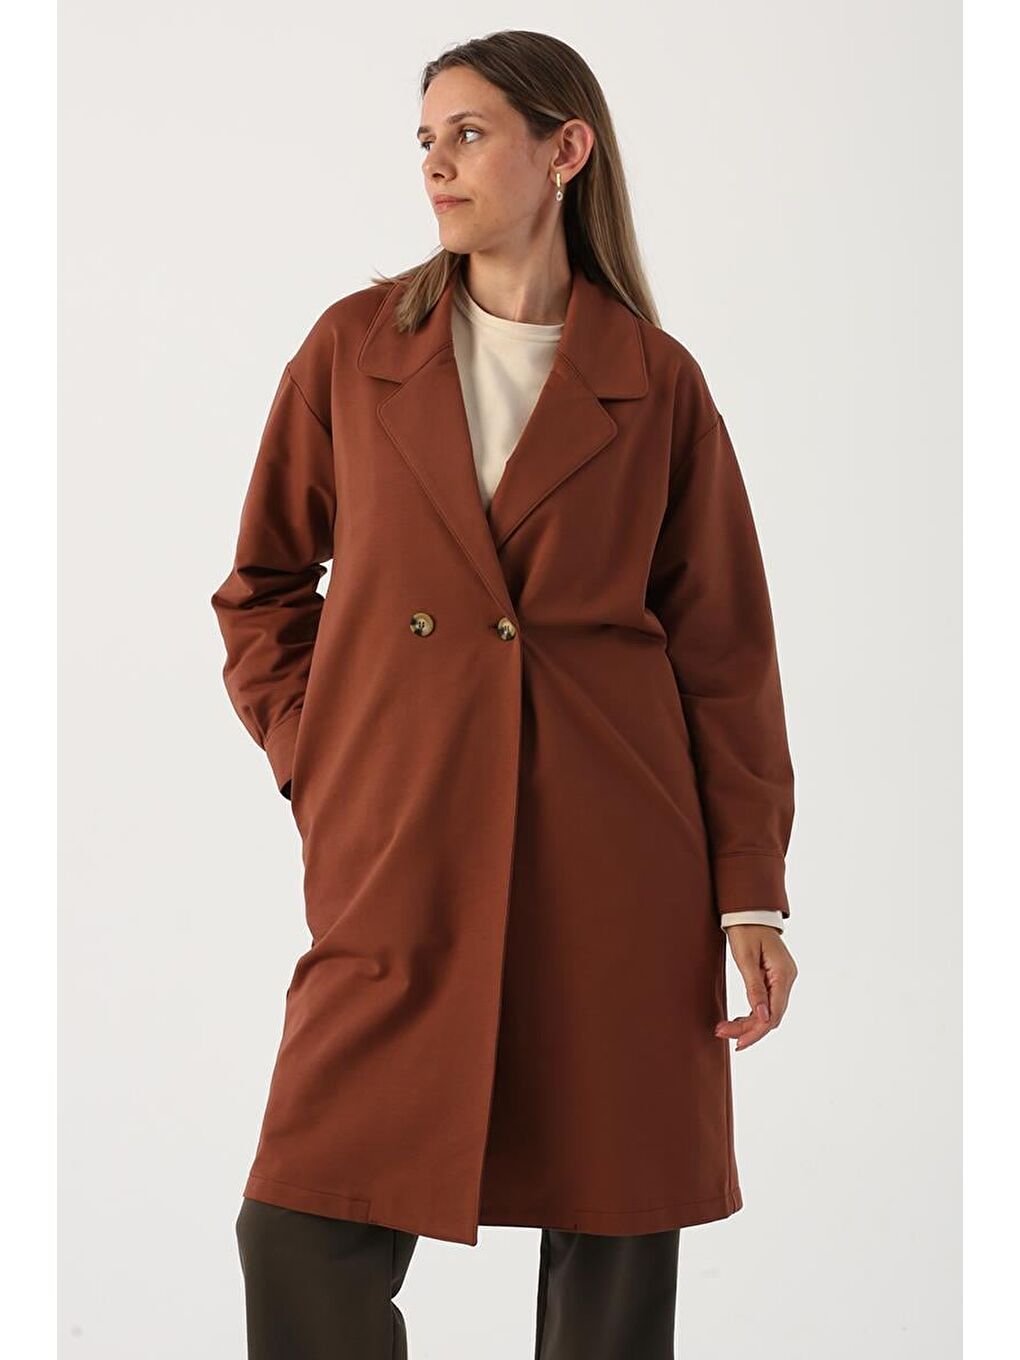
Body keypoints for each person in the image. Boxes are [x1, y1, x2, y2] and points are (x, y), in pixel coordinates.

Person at [211, 28, 799, 1360]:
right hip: (401, 842)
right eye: (425, 139)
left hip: (615, 852)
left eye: (468, 134)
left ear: (565, 149)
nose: (436, 164)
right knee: (299, 1225)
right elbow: (261, 589)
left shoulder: (656, 382)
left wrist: (751, 894)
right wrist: (326, 759)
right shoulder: (358, 348)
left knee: (613, 1229)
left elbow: (725, 654)